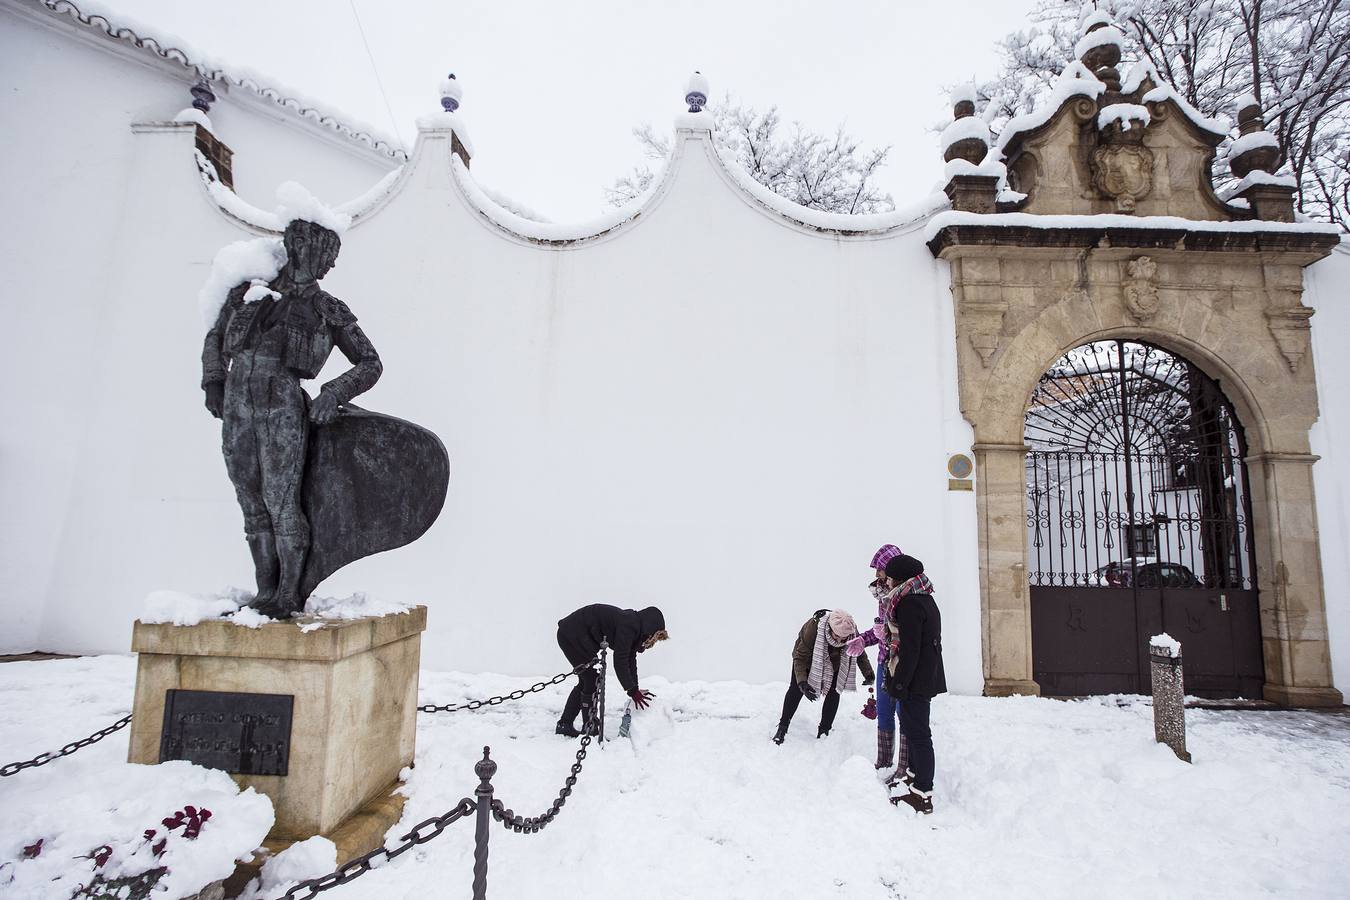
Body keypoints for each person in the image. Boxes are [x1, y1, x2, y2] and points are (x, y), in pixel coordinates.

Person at [202, 218, 382, 619]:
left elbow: (370, 363)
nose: (330, 265)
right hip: (238, 402)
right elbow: (215, 337)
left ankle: (287, 594)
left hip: (281, 401)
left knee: (281, 502)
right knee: (250, 502)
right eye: (327, 254)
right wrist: (214, 381)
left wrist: (334, 392)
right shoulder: (248, 293)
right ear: (302, 244)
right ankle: (265, 591)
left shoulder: (325, 308)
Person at [844, 544, 931, 785]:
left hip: (901, 664)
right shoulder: (884, 597)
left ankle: (904, 766)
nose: (876, 576)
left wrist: (888, 635)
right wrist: (864, 639)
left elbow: (910, 634)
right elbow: (880, 629)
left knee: (904, 714)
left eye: (879, 570)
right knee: (884, 711)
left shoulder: (905, 597)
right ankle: (883, 761)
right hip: (884, 661)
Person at [879, 554, 946, 815]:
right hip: (924, 677)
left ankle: (923, 794)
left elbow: (910, 649)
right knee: (913, 729)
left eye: (892, 577)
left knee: (919, 735)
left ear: (901, 578)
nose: (889, 582)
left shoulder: (909, 604)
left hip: (915, 679)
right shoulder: (925, 598)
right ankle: (914, 778)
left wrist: (899, 683)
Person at [555, 604, 668, 737]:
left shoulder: (633, 628)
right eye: (653, 637)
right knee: (590, 679)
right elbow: (620, 660)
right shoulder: (629, 626)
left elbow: (630, 659)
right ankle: (588, 728)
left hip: (576, 636)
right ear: (649, 627)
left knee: (587, 680)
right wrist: (632, 691)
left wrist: (635, 688)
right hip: (571, 634)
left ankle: (565, 724)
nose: (651, 641)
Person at [773, 609, 874, 744]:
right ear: (830, 628)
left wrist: (868, 672)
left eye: (842, 638)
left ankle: (824, 731)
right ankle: (783, 726)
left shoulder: (851, 631)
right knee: (795, 690)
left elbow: (859, 651)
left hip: (835, 662)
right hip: (807, 660)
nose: (838, 640)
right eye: (836, 635)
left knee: (834, 692)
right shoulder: (814, 629)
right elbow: (800, 658)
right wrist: (802, 683)